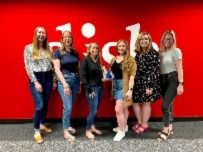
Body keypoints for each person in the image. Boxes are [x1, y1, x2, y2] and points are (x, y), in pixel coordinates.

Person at [24, 26, 57, 144]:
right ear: (35, 34)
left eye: (43, 33)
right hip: (36, 78)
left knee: (46, 102)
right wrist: (35, 82)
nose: (41, 34)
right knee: (40, 105)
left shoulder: (49, 48)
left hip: (48, 77)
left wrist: (54, 80)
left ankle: (42, 124)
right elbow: (28, 67)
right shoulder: (28, 48)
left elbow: (52, 66)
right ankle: (36, 131)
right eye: (39, 32)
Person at [53, 31, 80, 142]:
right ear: (62, 39)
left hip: (75, 80)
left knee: (70, 105)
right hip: (65, 80)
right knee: (67, 106)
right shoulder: (57, 52)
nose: (68, 39)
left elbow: (78, 69)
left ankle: (67, 125)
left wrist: (79, 84)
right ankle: (65, 132)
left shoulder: (74, 52)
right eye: (66, 37)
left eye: (70, 37)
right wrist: (64, 85)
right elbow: (57, 69)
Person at [157, 30, 184, 142]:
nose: (167, 41)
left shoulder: (176, 51)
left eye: (170, 39)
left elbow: (179, 68)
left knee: (165, 105)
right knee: (169, 105)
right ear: (162, 40)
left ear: (173, 40)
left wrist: (181, 84)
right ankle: (170, 127)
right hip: (162, 80)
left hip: (173, 79)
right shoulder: (160, 52)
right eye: (165, 38)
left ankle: (165, 130)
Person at [132, 32, 161, 134]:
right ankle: (140, 122)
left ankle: (145, 124)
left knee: (146, 103)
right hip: (138, 82)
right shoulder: (138, 53)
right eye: (142, 39)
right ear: (139, 41)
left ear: (149, 41)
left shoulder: (153, 53)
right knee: (135, 102)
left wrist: (149, 86)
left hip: (148, 82)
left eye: (146, 39)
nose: (144, 41)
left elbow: (154, 71)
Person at [110, 39, 137, 141]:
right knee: (124, 108)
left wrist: (130, 90)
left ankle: (121, 132)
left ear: (126, 48)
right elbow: (112, 73)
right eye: (119, 46)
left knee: (118, 110)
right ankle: (123, 126)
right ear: (117, 47)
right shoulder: (114, 59)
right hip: (115, 85)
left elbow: (132, 77)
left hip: (124, 86)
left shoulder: (130, 59)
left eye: (123, 46)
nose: (121, 48)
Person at [80, 42, 104, 141]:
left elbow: (97, 76)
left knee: (95, 111)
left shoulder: (97, 61)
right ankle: (88, 130)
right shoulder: (86, 61)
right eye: (93, 48)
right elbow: (83, 76)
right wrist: (89, 89)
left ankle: (93, 126)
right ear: (89, 49)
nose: (95, 50)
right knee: (93, 111)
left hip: (99, 88)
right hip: (92, 89)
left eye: (97, 48)